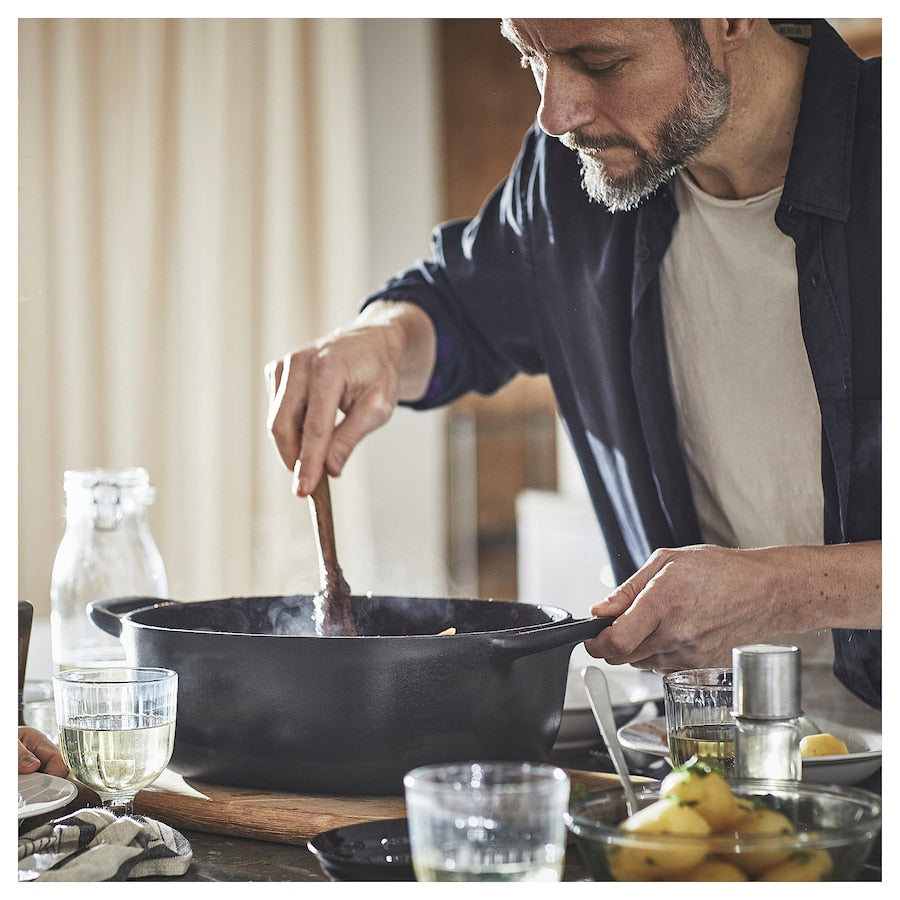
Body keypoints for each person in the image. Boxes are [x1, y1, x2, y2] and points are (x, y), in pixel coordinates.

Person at [265, 19, 881, 708]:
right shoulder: (571, 180)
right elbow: (456, 313)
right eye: (532, 57)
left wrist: (786, 592)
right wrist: (381, 339)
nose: (556, 115)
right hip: (698, 762)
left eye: (601, 61)